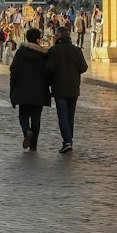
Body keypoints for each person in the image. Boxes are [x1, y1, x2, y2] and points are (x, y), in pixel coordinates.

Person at [44, 25, 88, 153]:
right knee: (70, 116)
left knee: (62, 115)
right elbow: (83, 67)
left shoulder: (54, 51)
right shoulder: (76, 50)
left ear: (58, 37)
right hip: (74, 88)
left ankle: (67, 141)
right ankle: (69, 140)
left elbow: (48, 69)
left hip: (59, 89)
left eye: (55, 35)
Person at [9, 26, 50, 151]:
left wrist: (13, 90)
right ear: (38, 39)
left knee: (23, 116)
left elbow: (13, 70)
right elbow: (48, 71)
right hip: (40, 91)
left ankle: (27, 130)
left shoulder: (21, 52)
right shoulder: (44, 54)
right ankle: (33, 145)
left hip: (23, 90)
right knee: (36, 117)